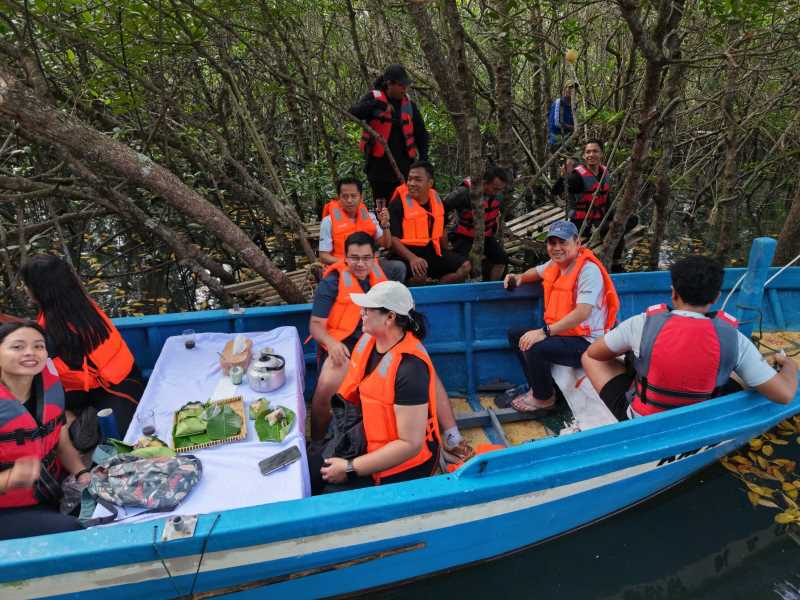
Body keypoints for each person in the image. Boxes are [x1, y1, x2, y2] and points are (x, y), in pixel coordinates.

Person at [309, 233, 473, 463]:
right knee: (326, 386)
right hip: (343, 344)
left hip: (380, 337)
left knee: (430, 373)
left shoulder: (382, 275)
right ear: (345, 257)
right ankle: (316, 442)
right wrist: (332, 344)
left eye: (366, 258)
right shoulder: (333, 281)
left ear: (374, 257)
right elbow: (316, 325)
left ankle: (452, 435)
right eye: (354, 258)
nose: (360, 263)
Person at [581, 256, 798, 420]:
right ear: (715, 297)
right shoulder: (733, 338)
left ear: (673, 293)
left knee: (588, 357)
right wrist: (789, 366)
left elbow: (595, 353)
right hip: (697, 420)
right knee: (737, 371)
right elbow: (785, 395)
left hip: (641, 418)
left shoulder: (642, 323)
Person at [313, 281, 441, 492]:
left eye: (367, 308)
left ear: (390, 317)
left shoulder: (409, 370)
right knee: (311, 471)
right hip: (364, 438)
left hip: (401, 464)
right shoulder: (369, 341)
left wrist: (350, 468)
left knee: (326, 497)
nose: (361, 312)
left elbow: (410, 445)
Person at [20, 255, 143, 439]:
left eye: (26, 284)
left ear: (39, 290)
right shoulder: (83, 306)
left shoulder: (53, 332)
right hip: (130, 377)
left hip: (107, 392)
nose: (25, 289)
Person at [503, 220, 619, 413]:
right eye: (552, 243)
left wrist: (544, 332)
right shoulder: (556, 264)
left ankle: (544, 398)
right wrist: (520, 278)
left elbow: (583, 312)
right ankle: (539, 386)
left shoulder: (588, 271)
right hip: (565, 335)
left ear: (577, 243)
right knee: (516, 335)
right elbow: (537, 272)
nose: (557, 248)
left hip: (587, 342)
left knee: (535, 347)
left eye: (563, 242)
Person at [0, 321, 89, 540]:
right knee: (72, 531)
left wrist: (81, 472)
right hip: (7, 508)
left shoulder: (47, 386)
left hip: (51, 487)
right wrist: (9, 478)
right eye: (17, 347)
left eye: (38, 346)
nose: (30, 352)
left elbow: (58, 435)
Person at [551, 140, 636, 272]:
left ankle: (610, 229)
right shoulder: (577, 177)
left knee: (631, 218)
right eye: (588, 152)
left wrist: (614, 216)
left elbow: (606, 199)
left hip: (600, 216)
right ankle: (616, 264)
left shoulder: (604, 172)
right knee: (615, 227)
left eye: (595, 151)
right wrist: (564, 176)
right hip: (584, 223)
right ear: (584, 156)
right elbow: (555, 191)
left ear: (601, 154)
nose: (591, 155)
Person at [349, 64, 429, 204]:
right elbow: (353, 112)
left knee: (403, 210)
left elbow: (421, 133)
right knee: (383, 213)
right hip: (379, 171)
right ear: (389, 84)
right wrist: (375, 105)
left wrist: (424, 158)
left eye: (406, 85)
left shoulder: (409, 105)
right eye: (401, 85)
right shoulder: (374, 98)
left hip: (404, 170)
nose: (404, 89)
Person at [388, 161, 472, 284]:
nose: (411, 183)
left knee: (465, 266)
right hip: (406, 254)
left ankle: (440, 288)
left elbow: (442, 230)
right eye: (409, 179)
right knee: (419, 276)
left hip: (432, 252)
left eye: (417, 180)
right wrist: (412, 258)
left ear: (430, 183)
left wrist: (447, 254)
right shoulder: (398, 203)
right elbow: (393, 239)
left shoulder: (436, 201)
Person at [318, 177, 406, 282]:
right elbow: (324, 256)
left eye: (353, 196)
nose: (349, 200)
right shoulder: (328, 221)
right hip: (343, 266)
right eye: (345, 196)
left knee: (398, 267)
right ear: (339, 198)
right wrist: (352, 263)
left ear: (361, 197)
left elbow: (386, 244)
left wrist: (385, 225)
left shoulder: (370, 217)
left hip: (370, 265)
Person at [445, 166, 512, 281]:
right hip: (463, 235)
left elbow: (497, 216)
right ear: (485, 183)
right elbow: (442, 208)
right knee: (461, 265)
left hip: (485, 236)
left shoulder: (498, 196)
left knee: (502, 259)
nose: (498, 193)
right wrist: (443, 232)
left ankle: (491, 290)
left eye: (500, 189)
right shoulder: (464, 192)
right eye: (495, 189)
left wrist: (505, 230)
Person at [547, 82, 576, 149]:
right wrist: (572, 127)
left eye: (574, 89)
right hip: (556, 141)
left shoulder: (573, 106)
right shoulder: (559, 102)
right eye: (569, 87)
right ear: (565, 89)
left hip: (568, 141)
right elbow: (556, 123)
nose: (571, 90)